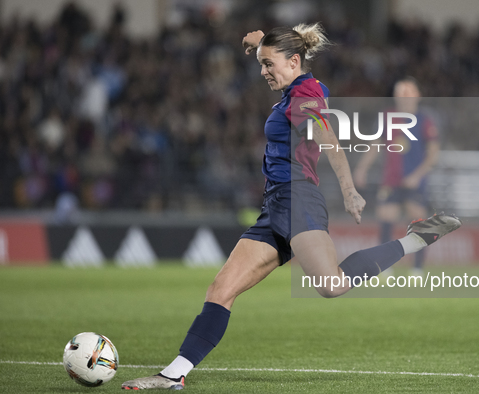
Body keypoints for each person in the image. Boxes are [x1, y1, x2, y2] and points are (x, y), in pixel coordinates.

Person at [122, 24, 460, 390]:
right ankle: (173, 375)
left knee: (330, 285)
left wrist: (349, 189)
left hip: (299, 198)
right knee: (220, 290)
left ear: (294, 61)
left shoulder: (305, 94)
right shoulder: (293, 89)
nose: (263, 71)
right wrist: (261, 43)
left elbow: (329, 138)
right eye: (261, 64)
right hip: (274, 207)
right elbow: (283, 51)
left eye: (269, 65)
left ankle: (415, 239)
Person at [354, 78, 440, 276]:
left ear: (417, 96)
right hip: (391, 180)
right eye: (400, 93)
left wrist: (417, 176)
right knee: (386, 217)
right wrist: (362, 169)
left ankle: (417, 268)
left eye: (408, 92)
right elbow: (375, 145)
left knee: (418, 221)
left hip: (414, 181)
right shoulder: (387, 116)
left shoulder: (425, 120)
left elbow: (433, 153)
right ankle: (385, 266)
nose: (404, 97)